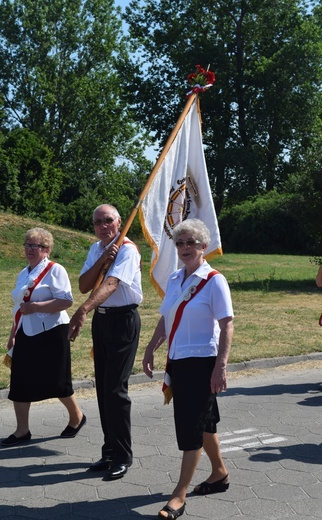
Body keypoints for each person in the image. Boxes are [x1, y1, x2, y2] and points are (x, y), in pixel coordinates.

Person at [142, 218, 234, 519]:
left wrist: (221, 366)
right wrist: (150, 346)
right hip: (179, 361)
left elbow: (226, 324)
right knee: (204, 421)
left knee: (191, 426)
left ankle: (179, 495)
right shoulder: (174, 279)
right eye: (180, 243)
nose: (184, 248)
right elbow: (167, 317)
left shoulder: (214, 280)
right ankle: (219, 473)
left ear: (204, 247)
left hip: (203, 362)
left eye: (190, 243)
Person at [68, 204, 142, 480]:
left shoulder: (127, 249)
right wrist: (101, 259)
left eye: (108, 220)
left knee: (115, 390)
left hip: (123, 321)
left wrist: (83, 309)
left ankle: (123, 455)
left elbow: (111, 284)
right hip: (102, 320)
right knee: (102, 388)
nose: (103, 226)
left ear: (119, 221)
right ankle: (109, 451)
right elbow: (85, 284)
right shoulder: (96, 249)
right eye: (97, 222)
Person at [1, 228, 86, 446]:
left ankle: (77, 417)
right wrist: (13, 334)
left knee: (57, 381)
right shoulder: (23, 273)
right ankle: (22, 431)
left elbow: (66, 301)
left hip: (52, 332)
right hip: (25, 331)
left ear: (46, 249)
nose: (30, 249)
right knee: (19, 380)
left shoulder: (55, 270)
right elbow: (20, 308)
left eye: (35, 246)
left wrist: (38, 306)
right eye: (27, 245)